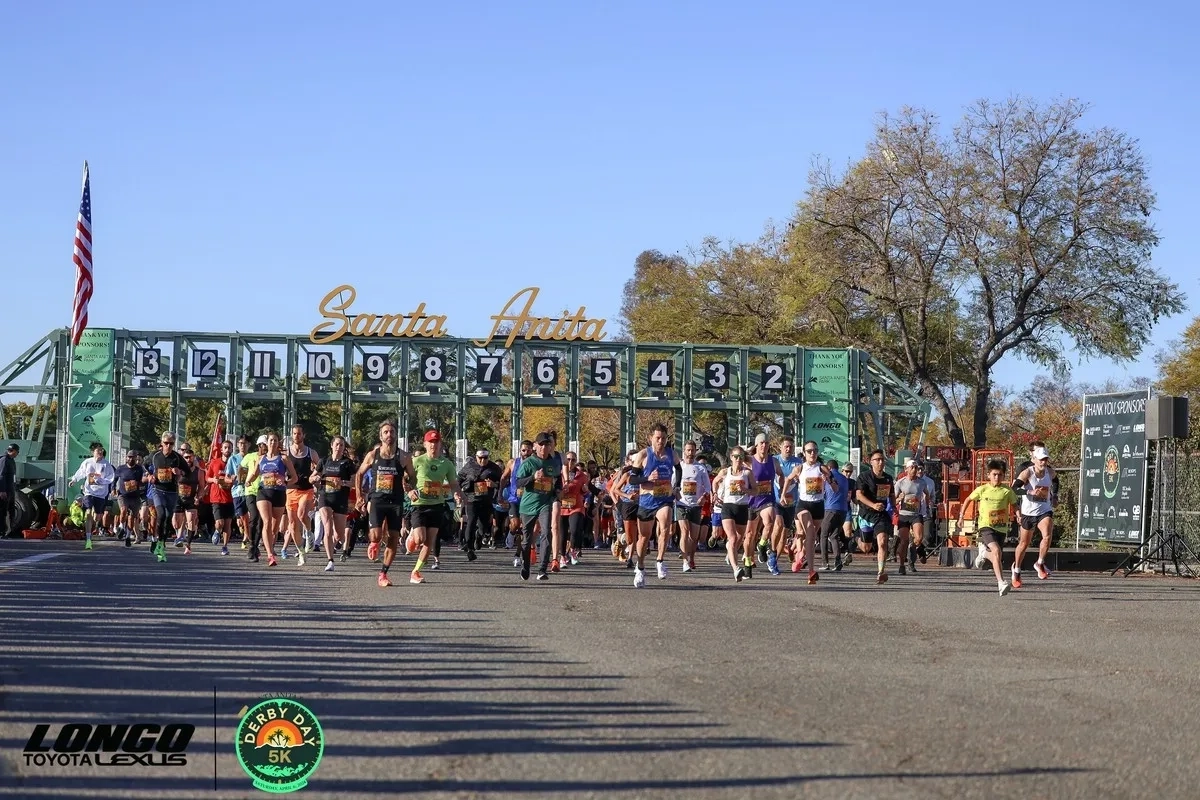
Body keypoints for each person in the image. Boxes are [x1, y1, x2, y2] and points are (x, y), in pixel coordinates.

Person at [355, 419, 417, 586]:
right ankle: (373, 543)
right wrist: (360, 496)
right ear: (380, 436)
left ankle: (383, 573)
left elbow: (412, 476)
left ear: (396, 435)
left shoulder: (403, 457)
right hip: (377, 499)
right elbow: (359, 474)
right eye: (386, 432)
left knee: (393, 538)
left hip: (395, 501)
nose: (389, 435)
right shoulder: (372, 455)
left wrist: (410, 488)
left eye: (392, 432)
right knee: (376, 535)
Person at [406, 429, 460, 584]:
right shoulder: (417, 461)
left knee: (429, 542)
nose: (433, 445)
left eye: (436, 442)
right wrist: (409, 491)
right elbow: (404, 479)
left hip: (437, 505)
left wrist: (458, 494)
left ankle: (415, 572)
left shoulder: (446, 464)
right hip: (420, 505)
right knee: (420, 538)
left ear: (440, 444)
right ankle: (412, 535)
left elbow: (453, 483)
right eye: (430, 442)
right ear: (425, 444)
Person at [960, 459, 1018, 596]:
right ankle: (1001, 582)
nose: (997, 478)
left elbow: (1015, 504)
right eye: (994, 475)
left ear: (1004, 476)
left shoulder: (1007, 491)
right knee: (996, 550)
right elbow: (968, 499)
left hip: (1001, 527)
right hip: (986, 526)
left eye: (1000, 475)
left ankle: (983, 553)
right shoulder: (983, 489)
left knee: (996, 555)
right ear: (989, 475)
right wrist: (961, 516)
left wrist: (1019, 515)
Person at [630, 423, 677, 586]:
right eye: (658, 438)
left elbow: (679, 469)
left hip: (664, 498)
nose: (661, 441)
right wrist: (647, 478)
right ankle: (641, 567)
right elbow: (632, 479)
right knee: (643, 537)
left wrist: (675, 487)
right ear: (651, 438)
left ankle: (660, 561)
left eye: (664, 438)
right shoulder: (643, 455)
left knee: (665, 525)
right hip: (647, 500)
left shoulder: (671, 454)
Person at [780, 440, 830, 585]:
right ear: (804, 453)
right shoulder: (799, 468)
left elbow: (835, 487)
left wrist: (829, 481)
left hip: (819, 505)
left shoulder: (822, 468)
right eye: (809, 451)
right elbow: (788, 479)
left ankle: (800, 556)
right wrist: (783, 495)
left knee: (811, 537)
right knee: (809, 532)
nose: (812, 453)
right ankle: (811, 571)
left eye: (815, 450)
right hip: (803, 505)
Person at [246, 432, 298, 568]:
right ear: (266, 443)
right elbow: (255, 473)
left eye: (275, 441)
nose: (273, 443)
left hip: (279, 494)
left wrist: (285, 481)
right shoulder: (261, 458)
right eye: (270, 441)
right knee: (267, 521)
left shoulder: (284, 459)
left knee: (274, 529)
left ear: (278, 443)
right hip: (263, 492)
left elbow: (295, 477)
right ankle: (270, 555)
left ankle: (269, 546)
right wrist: (248, 481)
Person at [515, 432, 563, 581]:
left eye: (547, 445)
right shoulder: (528, 463)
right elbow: (518, 482)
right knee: (527, 539)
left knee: (546, 532)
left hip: (545, 503)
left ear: (550, 447)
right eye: (541, 444)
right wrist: (533, 477)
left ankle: (542, 569)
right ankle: (526, 566)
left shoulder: (554, 463)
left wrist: (558, 490)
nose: (543, 447)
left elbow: (557, 480)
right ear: (535, 446)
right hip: (528, 505)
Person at [1012, 446, 1057, 586]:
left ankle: (1040, 563)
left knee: (1047, 534)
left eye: (1045, 459)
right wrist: (1029, 493)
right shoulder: (1027, 473)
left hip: (1044, 510)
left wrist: (1054, 495)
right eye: (1041, 460)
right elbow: (1013, 489)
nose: (1043, 463)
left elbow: (1056, 481)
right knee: (1024, 544)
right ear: (1034, 460)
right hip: (1028, 512)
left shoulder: (1050, 472)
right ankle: (1017, 570)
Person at [313, 435, 356, 572]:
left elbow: (354, 482)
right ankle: (330, 560)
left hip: (340, 499)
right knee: (327, 526)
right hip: (325, 497)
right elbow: (311, 478)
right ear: (331, 446)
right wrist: (316, 478)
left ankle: (334, 545)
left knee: (338, 535)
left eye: (342, 445)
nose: (339, 447)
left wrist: (342, 482)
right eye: (337, 444)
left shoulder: (348, 463)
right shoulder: (324, 461)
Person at [713, 447, 754, 582]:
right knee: (731, 538)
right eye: (736, 456)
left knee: (738, 539)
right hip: (728, 506)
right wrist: (715, 494)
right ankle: (736, 569)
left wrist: (746, 490)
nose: (738, 459)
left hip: (742, 507)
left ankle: (730, 553)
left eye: (741, 457)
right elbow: (714, 481)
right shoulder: (725, 472)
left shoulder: (747, 473)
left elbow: (756, 491)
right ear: (731, 457)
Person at [147, 432, 187, 563]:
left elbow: (188, 471)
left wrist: (179, 472)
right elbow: (143, 465)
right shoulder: (155, 456)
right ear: (162, 443)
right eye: (166, 443)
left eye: (171, 443)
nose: (168, 446)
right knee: (161, 514)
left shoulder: (177, 457)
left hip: (172, 492)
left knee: (168, 518)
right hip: (158, 490)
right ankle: (156, 540)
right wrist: (149, 476)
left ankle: (161, 544)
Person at [856, 449, 895, 584]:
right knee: (866, 548)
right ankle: (855, 540)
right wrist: (872, 505)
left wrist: (894, 507)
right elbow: (859, 495)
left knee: (883, 541)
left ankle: (881, 572)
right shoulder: (864, 477)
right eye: (877, 460)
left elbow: (891, 495)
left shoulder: (888, 478)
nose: (880, 462)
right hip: (866, 514)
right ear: (870, 462)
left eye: (882, 460)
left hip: (881, 514)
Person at [458, 449, 503, 560]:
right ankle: (469, 548)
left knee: (484, 526)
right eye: (480, 458)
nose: (483, 460)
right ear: (476, 457)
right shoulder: (469, 466)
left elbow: (502, 483)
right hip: (471, 499)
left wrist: (494, 484)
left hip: (486, 500)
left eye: (485, 458)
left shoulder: (494, 468)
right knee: (471, 522)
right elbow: (459, 479)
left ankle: (479, 536)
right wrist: (457, 493)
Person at [70, 443, 115, 550]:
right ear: (93, 452)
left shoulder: (106, 464)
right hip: (89, 492)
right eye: (97, 450)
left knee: (97, 517)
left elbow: (111, 478)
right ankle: (88, 538)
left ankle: (93, 527)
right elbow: (80, 472)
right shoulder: (87, 462)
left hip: (101, 493)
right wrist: (74, 480)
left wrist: (100, 480)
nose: (100, 452)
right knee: (88, 513)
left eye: (101, 450)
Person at [675, 440, 711, 573]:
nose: (690, 453)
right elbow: (673, 483)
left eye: (692, 450)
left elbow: (707, 486)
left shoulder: (701, 468)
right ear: (684, 451)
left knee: (694, 536)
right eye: (688, 450)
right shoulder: (679, 467)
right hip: (682, 504)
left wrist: (703, 497)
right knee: (684, 532)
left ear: (695, 452)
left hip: (696, 505)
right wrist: (675, 492)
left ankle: (691, 557)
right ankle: (685, 561)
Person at [894, 459, 932, 574]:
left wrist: (927, 503)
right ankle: (902, 565)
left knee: (919, 538)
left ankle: (913, 548)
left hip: (916, 514)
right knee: (903, 541)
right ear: (906, 469)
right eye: (912, 468)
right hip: (904, 515)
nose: (915, 470)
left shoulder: (921, 482)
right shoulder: (900, 483)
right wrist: (899, 499)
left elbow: (927, 493)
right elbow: (894, 499)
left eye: (916, 468)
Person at [819, 460, 853, 571]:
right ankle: (838, 561)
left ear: (829, 467)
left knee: (823, 534)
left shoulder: (828, 476)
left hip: (830, 508)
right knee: (834, 536)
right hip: (843, 510)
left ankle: (825, 563)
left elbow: (823, 492)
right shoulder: (844, 479)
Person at [559, 451, 590, 566]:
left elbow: (586, 492)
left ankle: (572, 551)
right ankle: (562, 556)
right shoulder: (559, 473)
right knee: (562, 533)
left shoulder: (582, 475)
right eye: (568, 459)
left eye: (573, 460)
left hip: (576, 506)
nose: (570, 462)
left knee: (574, 529)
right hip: (562, 506)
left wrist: (585, 489)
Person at [0, 443, 15, 538]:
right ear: (13, 451)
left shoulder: (11, 460)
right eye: (17, 451)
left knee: (11, 511)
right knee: (2, 512)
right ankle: (1, 532)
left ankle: (9, 531)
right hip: (5, 491)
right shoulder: (4, 460)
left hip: (11, 490)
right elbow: (1, 475)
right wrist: (1, 490)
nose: (17, 454)